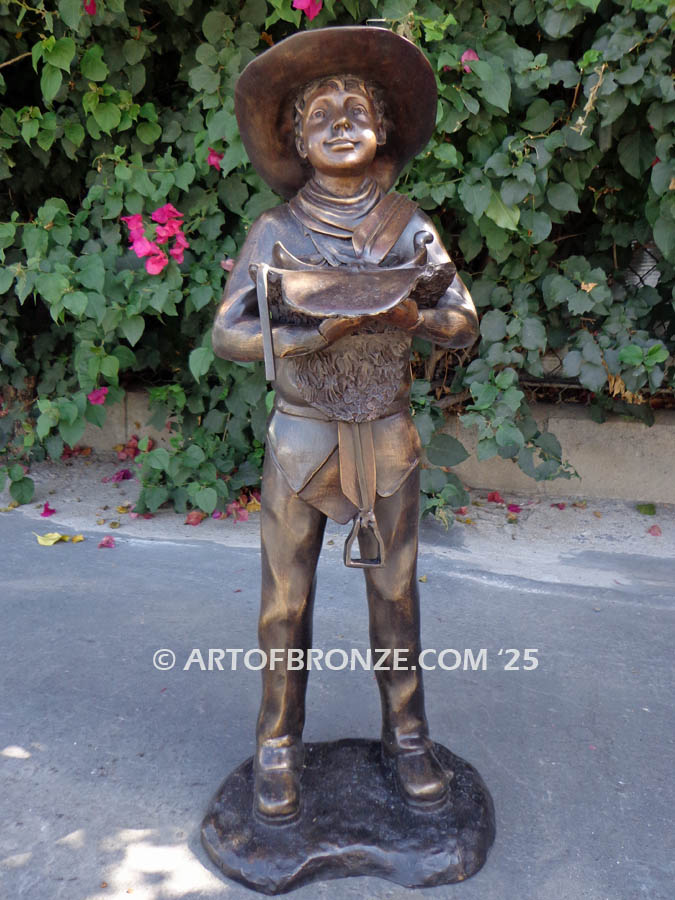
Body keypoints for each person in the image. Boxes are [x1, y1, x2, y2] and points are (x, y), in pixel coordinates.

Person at [212, 26, 478, 825]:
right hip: (301, 437)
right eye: (318, 111)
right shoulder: (273, 232)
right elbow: (227, 335)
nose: (337, 120)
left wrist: (412, 314)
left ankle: (407, 739)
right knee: (283, 603)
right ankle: (277, 747)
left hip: (386, 435)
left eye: (354, 106)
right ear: (294, 138)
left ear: (385, 128)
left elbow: (461, 321)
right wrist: (305, 333)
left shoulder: (407, 225)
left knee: (395, 597)